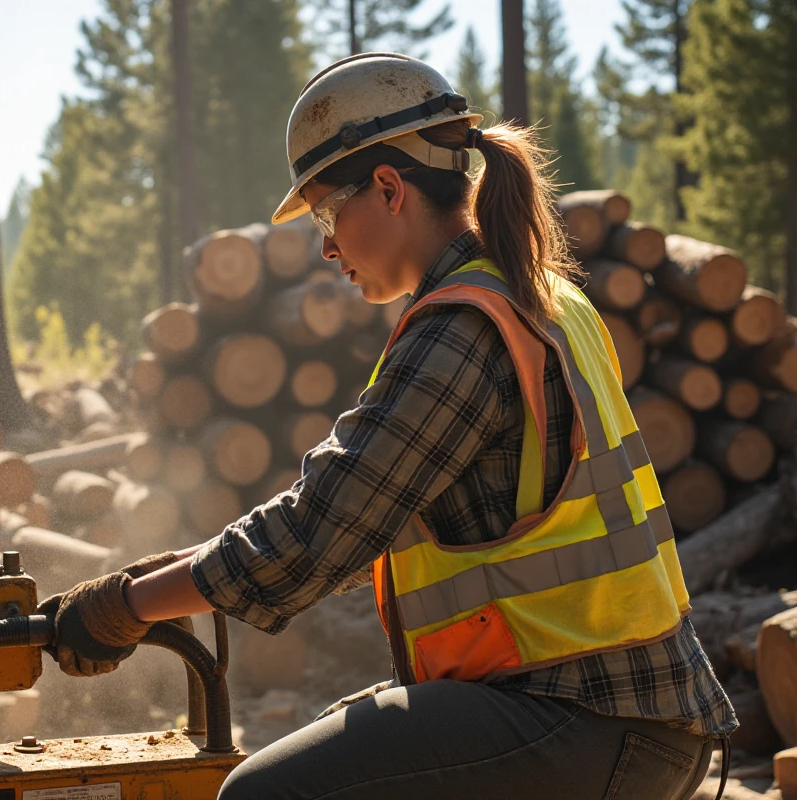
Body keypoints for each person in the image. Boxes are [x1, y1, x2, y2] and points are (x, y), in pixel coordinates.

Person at [39, 53, 737, 800]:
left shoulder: (464, 331)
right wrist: (157, 577)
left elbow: (315, 534)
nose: (328, 246)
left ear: (387, 188)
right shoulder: (542, 297)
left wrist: (123, 608)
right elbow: (358, 517)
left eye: (327, 215)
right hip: (619, 713)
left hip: (583, 720)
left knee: (262, 797)